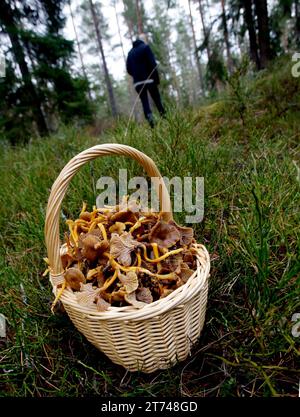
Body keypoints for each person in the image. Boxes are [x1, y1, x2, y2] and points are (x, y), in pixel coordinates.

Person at [126, 33, 166, 128]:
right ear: (143, 40)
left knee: (144, 102)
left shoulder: (130, 53)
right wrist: (156, 80)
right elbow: (153, 64)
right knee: (157, 100)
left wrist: (136, 76)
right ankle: (164, 118)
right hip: (149, 80)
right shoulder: (145, 48)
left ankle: (151, 122)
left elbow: (128, 69)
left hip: (138, 83)